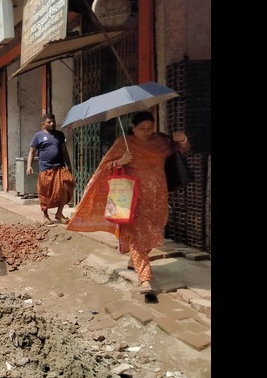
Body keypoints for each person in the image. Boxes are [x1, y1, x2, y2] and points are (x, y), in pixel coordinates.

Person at [66, 111, 190, 295]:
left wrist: (183, 139)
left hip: (158, 196)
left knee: (154, 231)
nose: (147, 132)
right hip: (134, 197)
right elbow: (105, 166)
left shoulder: (161, 140)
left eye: (150, 128)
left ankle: (135, 261)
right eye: (142, 129)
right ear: (133, 128)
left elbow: (181, 150)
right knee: (138, 235)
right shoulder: (124, 143)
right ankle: (145, 279)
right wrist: (119, 162)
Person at [26, 112, 75, 225]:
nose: (52, 124)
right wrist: (29, 166)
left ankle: (59, 213)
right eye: (49, 122)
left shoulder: (60, 135)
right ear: (43, 124)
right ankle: (46, 215)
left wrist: (69, 165)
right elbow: (32, 152)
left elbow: (64, 151)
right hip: (45, 169)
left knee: (64, 189)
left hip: (59, 168)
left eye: (53, 122)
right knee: (45, 193)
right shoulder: (38, 136)